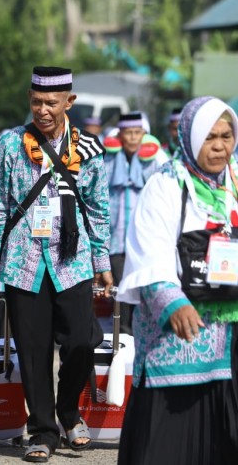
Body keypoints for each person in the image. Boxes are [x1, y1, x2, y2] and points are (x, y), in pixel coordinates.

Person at [0, 66, 113, 463]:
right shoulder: (10, 144)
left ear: (68, 102)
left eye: (51, 103)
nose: (43, 110)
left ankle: (69, 411)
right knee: (33, 350)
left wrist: (102, 259)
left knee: (82, 340)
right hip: (23, 261)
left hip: (71, 261)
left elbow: (98, 209)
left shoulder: (88, 148)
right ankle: (42, 430)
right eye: (36, 101)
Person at [116, 96, 238, 464]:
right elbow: (149, 248)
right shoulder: (166, 184)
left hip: (229, 338)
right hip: (177, 337)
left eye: (227, 136)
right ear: (189, 137)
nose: (219, 146)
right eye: (209, 137)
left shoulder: (235, 181)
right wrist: (172, 301)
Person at [104, 112, 166, 334]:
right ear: (120, 135)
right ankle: (123, 332)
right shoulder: (107, 158)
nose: (132, 138)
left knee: (141, 286)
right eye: (128, 133)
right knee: (121, 287)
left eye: (137, 133)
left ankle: (138, 332)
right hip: (116, 238)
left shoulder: (156, 158)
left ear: (144, 135)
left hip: (144, 236)